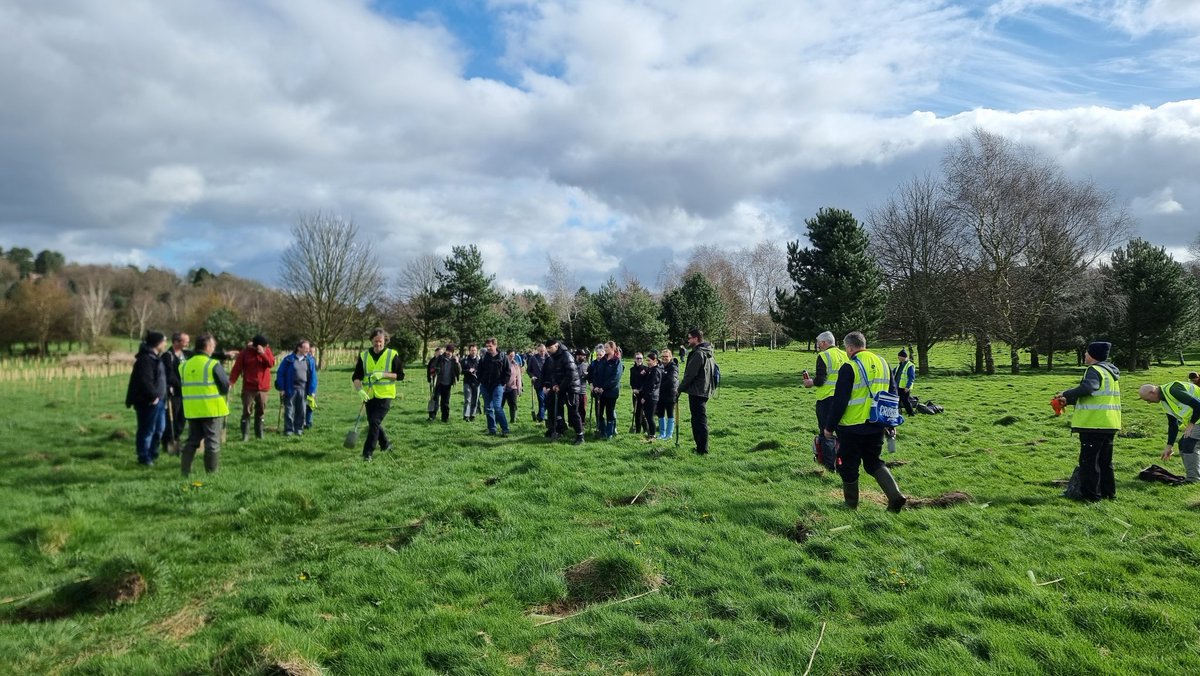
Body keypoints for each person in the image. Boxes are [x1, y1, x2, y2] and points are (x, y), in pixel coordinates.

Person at [823, 331, 906, 512]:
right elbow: (893, 396)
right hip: (877, 423)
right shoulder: (884, 363)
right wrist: (891, 423)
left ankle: (850, 504)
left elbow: (840, 401)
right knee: (873, 462)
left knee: (849, 465)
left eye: (846, 349)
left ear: (850, 347)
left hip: (851, 427)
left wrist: (829, 427)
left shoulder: (849, 367)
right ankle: (895, 496)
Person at [1054, 341, 1121, 501]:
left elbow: (1088, 388)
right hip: (1109, 423)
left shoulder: (1094, 370)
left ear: (1092, 354)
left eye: (1086, 352)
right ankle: (1108, 494)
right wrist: (1068, 401)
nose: (1084, 355)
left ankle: (1091, 496)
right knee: (1105, 462)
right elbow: (1096, 397)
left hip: (1093, 424)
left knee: (1089, 462)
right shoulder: (1109, 372)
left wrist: (1065, 393)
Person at [178, 333, 230, 477]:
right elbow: (225, 386)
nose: (214, 349)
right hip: (211, 410)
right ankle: (211, 474)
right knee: (212, 442)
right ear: (207, 347)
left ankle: (185, 472)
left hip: (192, 410)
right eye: (213, 346)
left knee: (192, 441)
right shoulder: (213, 364)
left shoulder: (184, 366)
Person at [352, 328, 404, 461]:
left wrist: (383, 375)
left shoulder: (392, 355)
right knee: (373, 423)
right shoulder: (364, 356)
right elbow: (356, 377)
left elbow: (400, 376)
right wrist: (360, 391)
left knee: (374, 421)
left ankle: (367, 452)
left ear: (385, 341)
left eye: (380, 341)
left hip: (385, 395)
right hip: (369, 395)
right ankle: (385, 444)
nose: (378, 344)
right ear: (371, 341)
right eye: (375, 341)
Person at [1136, 380, 1200, 482]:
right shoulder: (1164, 401)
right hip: (1197, 420)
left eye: (1147, 399)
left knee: (1189, 444)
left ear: (1152, 393)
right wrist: (1169, 446)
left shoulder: (1173, 390)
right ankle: (1193, 476)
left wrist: (1191, 424)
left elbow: (1198, 405)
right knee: (1182, 444)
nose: (1148, 402)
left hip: (1197, 419)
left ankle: (1193, 479)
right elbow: (1173, 424)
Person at [803, 331, 847, 468]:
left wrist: (811, 382)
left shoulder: (823, 356)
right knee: (843, 433)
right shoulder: (845, 355)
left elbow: (821, 380)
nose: (817, 346)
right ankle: (843, 463)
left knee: (826, 432)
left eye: (818, 343)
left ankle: (829, 465)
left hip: (827, 399)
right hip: (845, 398)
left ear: (823, 343)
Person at [125, 330, 168, 467]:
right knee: (147, 430)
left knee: (159, 429)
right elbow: (145, 381)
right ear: (158, 343)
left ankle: (153, 453)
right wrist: (153, 396)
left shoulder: (155, 357)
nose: (166, 344)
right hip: (148, 401)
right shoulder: (145, 359)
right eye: (164, 341)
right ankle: (144, 457)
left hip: (160, 400)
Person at [229, 334, 276, 441]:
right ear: (256, 345)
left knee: (261, 411)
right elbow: (237, 368)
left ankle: (259, 434)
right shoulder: (245, 353)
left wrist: (263, 354)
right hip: (249, 387)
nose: (265, 347)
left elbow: (271, 364)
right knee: (246, 411)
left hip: (263, 388)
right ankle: (245, 435)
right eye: (263, 346)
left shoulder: (266, 350)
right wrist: (231, 382)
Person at [679, 328, 716, 455]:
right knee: (699, 420)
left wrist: (679, 389)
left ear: (696, 338)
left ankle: (702, 449)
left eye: (689, 338)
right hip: (704, 390)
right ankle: (700, 447)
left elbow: (690, 375)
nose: (688, 341)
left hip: (697, 391)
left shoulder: (699, 353)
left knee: (698, 421)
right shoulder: (708, 351)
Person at [543, 339, 584, 444]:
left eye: (550, 348)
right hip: (560, 387)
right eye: (547, 348)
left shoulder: (567, 356)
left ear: (556, 346)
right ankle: (558, 429)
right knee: (550, 403)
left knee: (573, 412)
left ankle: (580, 436)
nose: (548, 350)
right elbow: (552, 373)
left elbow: (570, 375)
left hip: (571, 388)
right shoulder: (552, 357)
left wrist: (560, 387)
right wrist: (554, 384)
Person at [275, 340, 317, 437]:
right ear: (299, 348)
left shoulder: (309, 361)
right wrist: (281, 388)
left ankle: (298, 429)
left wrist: (312, 391)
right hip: (290, 389)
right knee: (289, 410)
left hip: (303, 389)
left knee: (301, 410)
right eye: (305, 348)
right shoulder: (288, 360)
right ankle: (289, 430)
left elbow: (313, 377)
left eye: (308, 348)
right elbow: (280, 374)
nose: (308, 350)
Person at [160, 332, 190, 455]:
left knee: (182, 420)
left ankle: (176, 440)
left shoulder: (186, 354)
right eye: (185, 341)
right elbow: (170, 375)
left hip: (185, 393)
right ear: (177, 342)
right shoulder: (168, 356)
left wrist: (224, 355)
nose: (188, 343)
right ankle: (168, 444)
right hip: (174, 393)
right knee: (172, 419)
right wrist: (179, 385)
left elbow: (203, 354)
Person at [478, 337, 512, 436]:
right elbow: (479, 370)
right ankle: (492, 429)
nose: (488, 348)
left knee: (497, 407)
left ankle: (505, 429)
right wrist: (480, 381)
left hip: (497, 385)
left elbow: (507, 371)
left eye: (490, 346)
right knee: (488, 408)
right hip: (485, 386)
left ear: (495, 345)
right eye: (487, 346)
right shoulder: (484, 357)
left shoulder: (502, 357)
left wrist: (503, 382)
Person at [592, 341, 624, 440]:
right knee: (599, 412)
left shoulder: (617, 362)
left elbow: (615, 378)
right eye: (604, 347)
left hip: (611, 392)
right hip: (600, 393)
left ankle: (610, 432)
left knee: (609, 412)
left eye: (606, 347)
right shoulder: (602, 360)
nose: (604, 349)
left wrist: (604, 388)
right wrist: (596, 386)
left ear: (612, 348)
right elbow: (596, 374)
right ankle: (602, 431)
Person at [431, 344, 461, 423]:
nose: (448, 353)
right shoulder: (440, 358)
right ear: (445, 350)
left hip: (448, 384)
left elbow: (459, 371)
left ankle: (445, 418)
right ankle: (432, 416)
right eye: (447, 351)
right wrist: (434, 372)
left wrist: (457, 363)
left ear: (452, 352)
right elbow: (433, 366)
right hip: (438, 382)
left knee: (445, 403)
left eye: (450, 351)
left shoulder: (454, 360)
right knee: (435, 400)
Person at [657, 348, 679, 440]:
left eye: (666, 356)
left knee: (670, 414)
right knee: (660, 414)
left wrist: (659, 385)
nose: (664, 358)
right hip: (660, 395)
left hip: (670, 395)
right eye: (663, 356)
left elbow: (671, 381)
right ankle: (662, 433)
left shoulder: (673, 367)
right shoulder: (660, 366)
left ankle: (669, 434)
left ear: (670, 357)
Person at [640, 351, 663, 440]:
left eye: (649, 360)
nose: (647, 362)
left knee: (650, 417)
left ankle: (653, 435)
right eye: (646, 360)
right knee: (648, 416)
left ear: (655, 361)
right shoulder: (651, 370)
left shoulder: (655, 371)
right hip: (650, 396)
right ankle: (650, 434)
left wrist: (645, 397)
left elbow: (652, 386)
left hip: (652, 397)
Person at [526, 344, 548, 422]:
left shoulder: (548, 358)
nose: (542, 352)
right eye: (540, 351)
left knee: (547, 401)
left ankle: (539, 415)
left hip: (548, 383)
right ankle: (541, 417)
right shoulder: (533, 358)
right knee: (541, 400)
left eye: (543, 351)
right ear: (538, 351)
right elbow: (528, 370)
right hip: (538, 382)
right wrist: (532, 376)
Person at [461, 344, 481, 422]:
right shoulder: (465, 360)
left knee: (475, 400)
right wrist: (468, 371)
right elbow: (461, 371)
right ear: (469, 351)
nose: (473, 352)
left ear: (477, 351)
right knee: (467, 400)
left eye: (475, 350)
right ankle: (466, 415)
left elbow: (483, 371)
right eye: (472, 350)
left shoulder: (480, 360)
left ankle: (472, 415)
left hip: (477, 383)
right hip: (467, 382)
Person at [894, 349, 916, 417]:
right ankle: (897, 413)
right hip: (898, 386)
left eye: (899, 357)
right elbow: (894, 372)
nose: (898, 358)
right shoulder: (899, 365)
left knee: (905, 401)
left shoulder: (909, 365)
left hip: (904, 387)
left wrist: (908, 387)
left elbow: (911, 377)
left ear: (902, 357)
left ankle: (911, 413)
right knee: (897, 400)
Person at [629, 352, 647, 434]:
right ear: (634, 359)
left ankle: (639, 430)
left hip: (643, 393)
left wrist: (640, 390)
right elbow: (631, 381)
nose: (639, 360)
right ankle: (645, 429)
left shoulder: (646, 369)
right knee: (637, 411)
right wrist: (633, 389)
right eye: (637, 358)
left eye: (641, 358)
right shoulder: (632, 370)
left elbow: (646, 382)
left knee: (640, 412)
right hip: (635, 393)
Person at [504, 349, 523, 424]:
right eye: (510, 356)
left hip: (513, 387)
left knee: (513, 404)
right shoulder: (503, 363)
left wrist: (519, 388)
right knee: (500, 405)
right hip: (503, 388)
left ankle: (513, 419)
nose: (512, 357)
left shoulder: (515, 364)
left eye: (513, 356)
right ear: (507, 355)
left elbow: (518, 377)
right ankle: (498, 419)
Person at [575, 348, 590, 428]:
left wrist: (587, 375)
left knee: (582, 408)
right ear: (577, 356)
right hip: (574, 390)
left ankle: (582, 423)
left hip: (583, 390)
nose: (584, 357)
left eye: (584, 356)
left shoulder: (586, 365)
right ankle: (574, 423)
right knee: (574, 409)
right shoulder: (573, 364)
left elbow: (589, 377)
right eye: (582, 355)